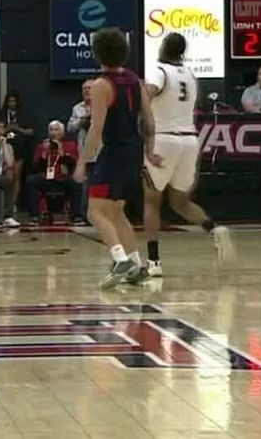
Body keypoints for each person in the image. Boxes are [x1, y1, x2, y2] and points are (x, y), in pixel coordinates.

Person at [73, 27, 161, 288]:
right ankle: (136, 265)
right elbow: (149, 119)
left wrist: (82, 161)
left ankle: (120, 259)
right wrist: (150, 150)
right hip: (133, 149)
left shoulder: (101, 85)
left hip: (114, 152)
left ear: (97, 53)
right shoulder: (135, 79)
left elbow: (96, 128)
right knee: (116, 210)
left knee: (94, 211)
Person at [142, 33, 233, 277]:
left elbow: (147, 95)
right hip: (189, 140)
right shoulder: (190, 75)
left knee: (152, 201)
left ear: (163, 48)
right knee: (179, 201)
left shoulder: (159, 71)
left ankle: (153, 262)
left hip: (164, 138)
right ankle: (213, 229)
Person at [24, 121, 78, 221]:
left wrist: (62, 153)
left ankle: (76, 216)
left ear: (62, 132)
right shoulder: (42, 146)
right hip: (46, 179)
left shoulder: (70, 145)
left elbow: (72, 165)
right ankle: (34, 215)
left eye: (56, 130)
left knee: (76, 184)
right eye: (51, 130)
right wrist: (44, 154)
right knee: (31, 180)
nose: (53, 132)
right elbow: (35, 168)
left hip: (62, 179)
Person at [66, 79, 94, 223]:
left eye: (90, 88)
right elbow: (70, 128)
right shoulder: (77, 108)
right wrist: (81, 122)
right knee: (84, 184)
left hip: (101, 150)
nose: (87, 91)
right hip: (83, 151)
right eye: (84, 89)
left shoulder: (104, 105)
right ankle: (83, 214)